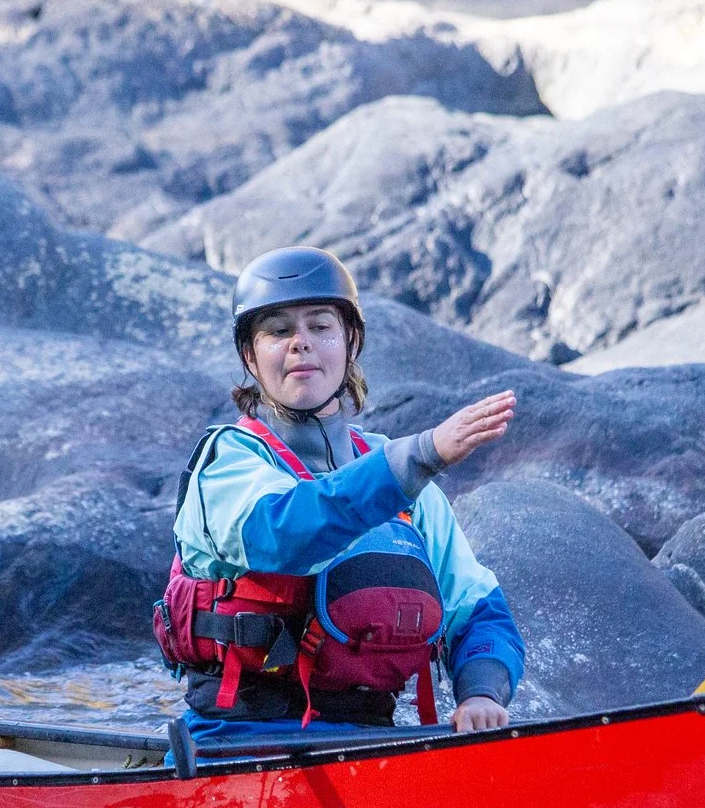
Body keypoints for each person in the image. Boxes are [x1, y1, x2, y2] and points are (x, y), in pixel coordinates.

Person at [157, 247, 524, 740]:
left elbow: (478, 609)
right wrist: (421, 456)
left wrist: (480, 692)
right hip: (240, 742)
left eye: (320, 326)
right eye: (279, 330)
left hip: (373, 743)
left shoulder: (404, 479)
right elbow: (287, 531)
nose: (300, 344)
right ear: (250, 355)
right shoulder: (228, 461)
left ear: (350, 343)